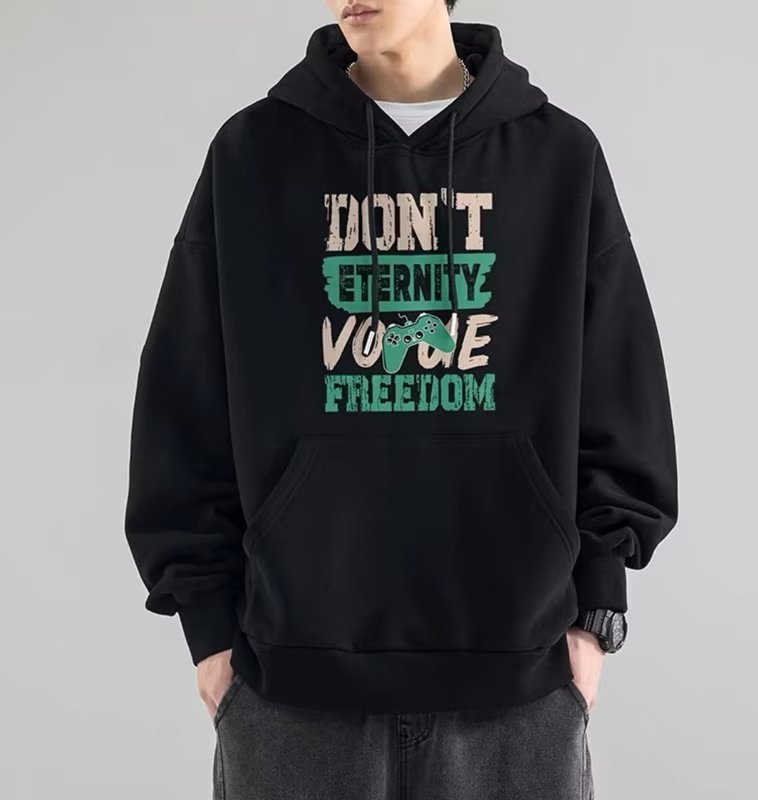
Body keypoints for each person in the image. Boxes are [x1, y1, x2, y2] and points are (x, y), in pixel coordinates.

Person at [123, 1, 679, 797]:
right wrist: (208, 631)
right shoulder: (253, 154)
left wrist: (597, 609)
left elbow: (620, 392)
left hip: (519, 692)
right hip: (291, 692)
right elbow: (184, 399)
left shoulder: (557, 157)